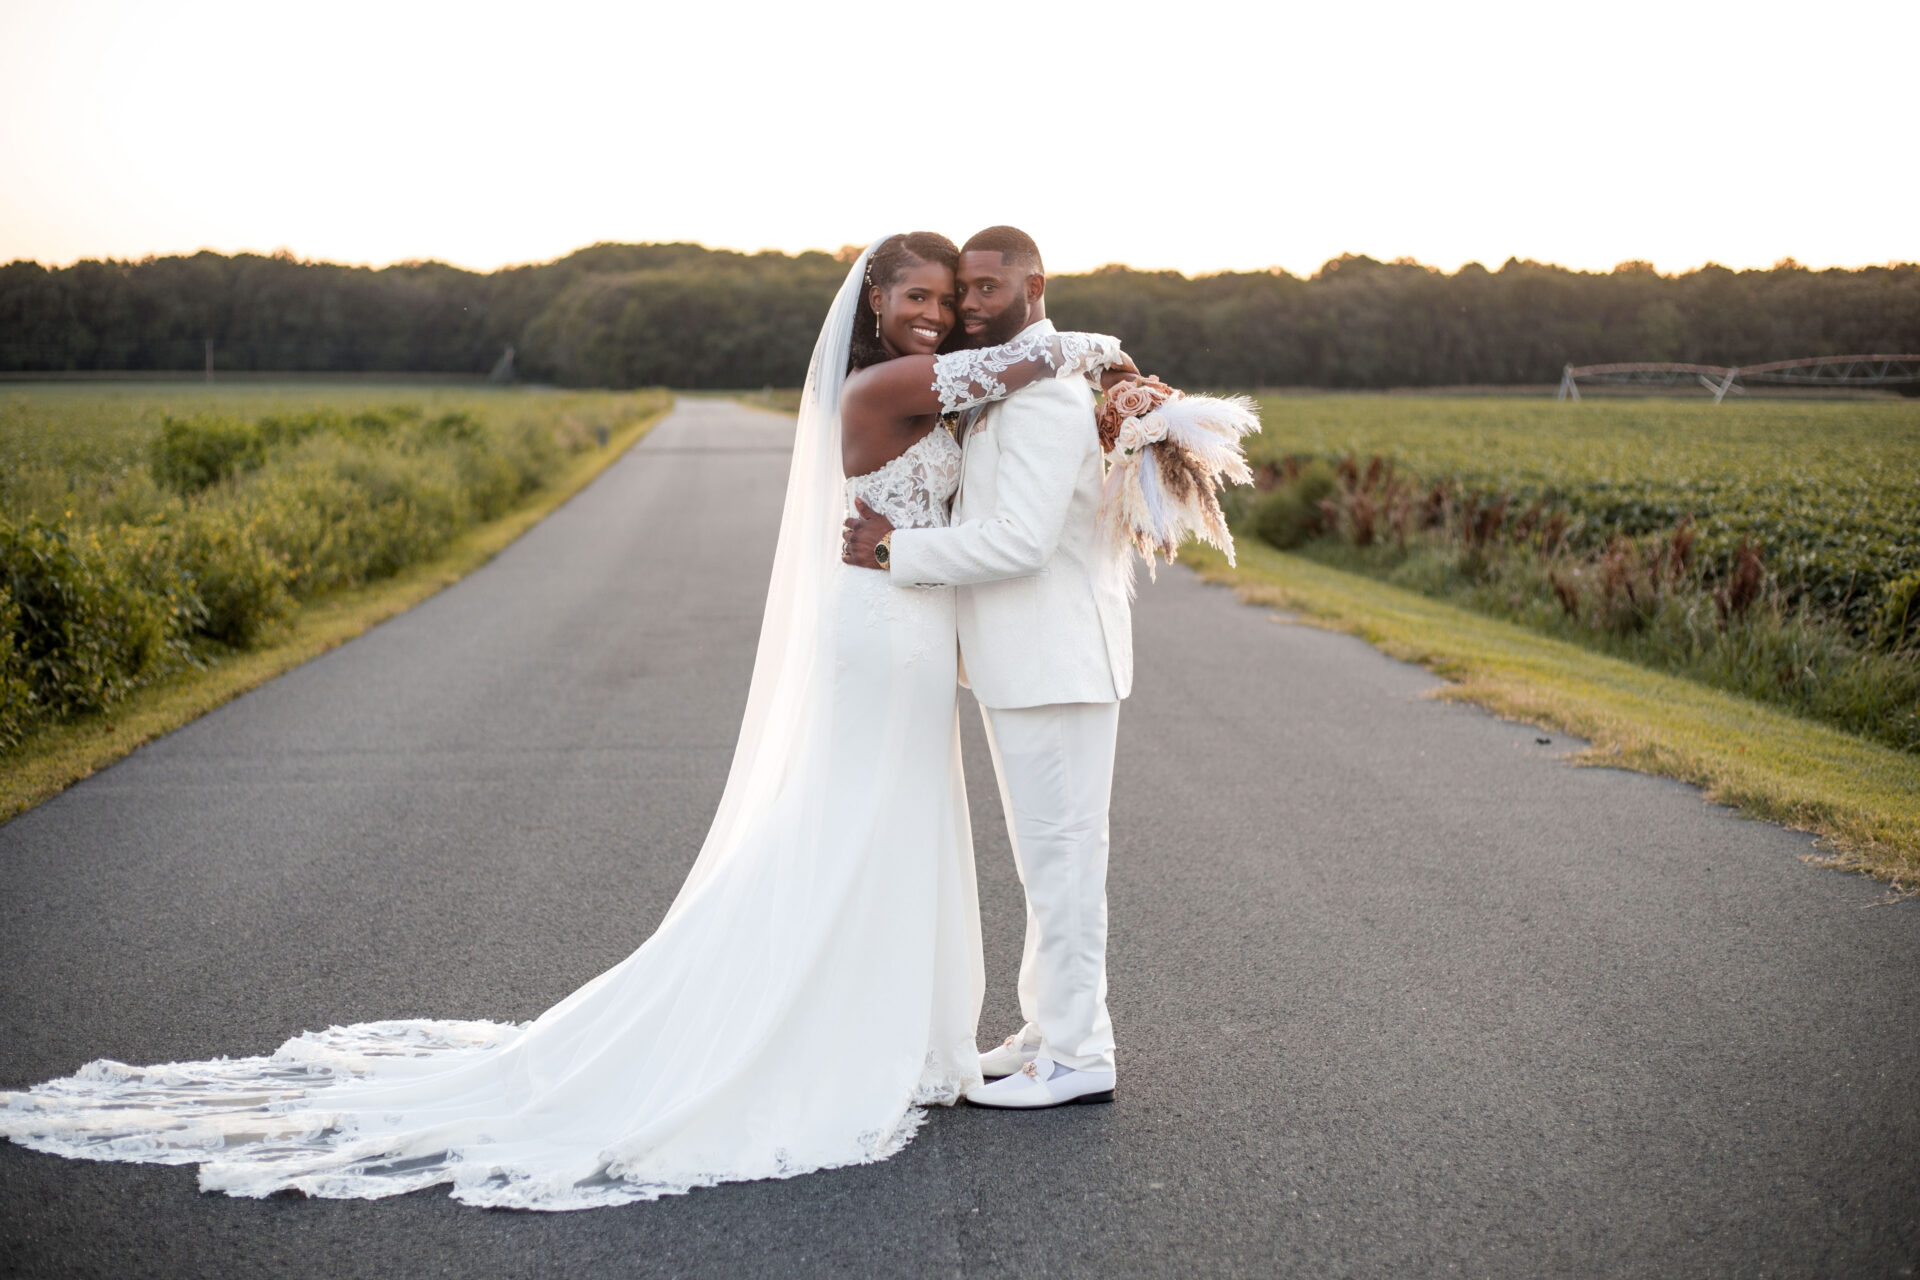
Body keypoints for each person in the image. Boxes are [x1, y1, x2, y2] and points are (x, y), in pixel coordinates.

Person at [0, 233, 1134, 1210]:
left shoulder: (948, 378)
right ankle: (812, 1026)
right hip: (885, 617)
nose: (939, 312)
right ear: (872, 304)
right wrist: (1097, 353)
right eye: (920, 296)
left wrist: (1120, 386)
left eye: (953, 295)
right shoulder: (879, 390)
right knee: (853, 823)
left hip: (912, 620)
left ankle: (910, 1029)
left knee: (895, 825)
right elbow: (1027, 357)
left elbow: (1013, 389)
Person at [842, 226, 1133, 1109]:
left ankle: (1081, 1055)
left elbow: (1020, 540)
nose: (967, 304)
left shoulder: (1045, 397)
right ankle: (1048, 1031)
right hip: (1021, 664)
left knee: (1066, 864)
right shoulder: (1017, 382)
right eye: (958, 289)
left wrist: (899, 554)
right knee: (1049, 863)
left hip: (1055, 662)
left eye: (985, 288)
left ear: (1034, 286)